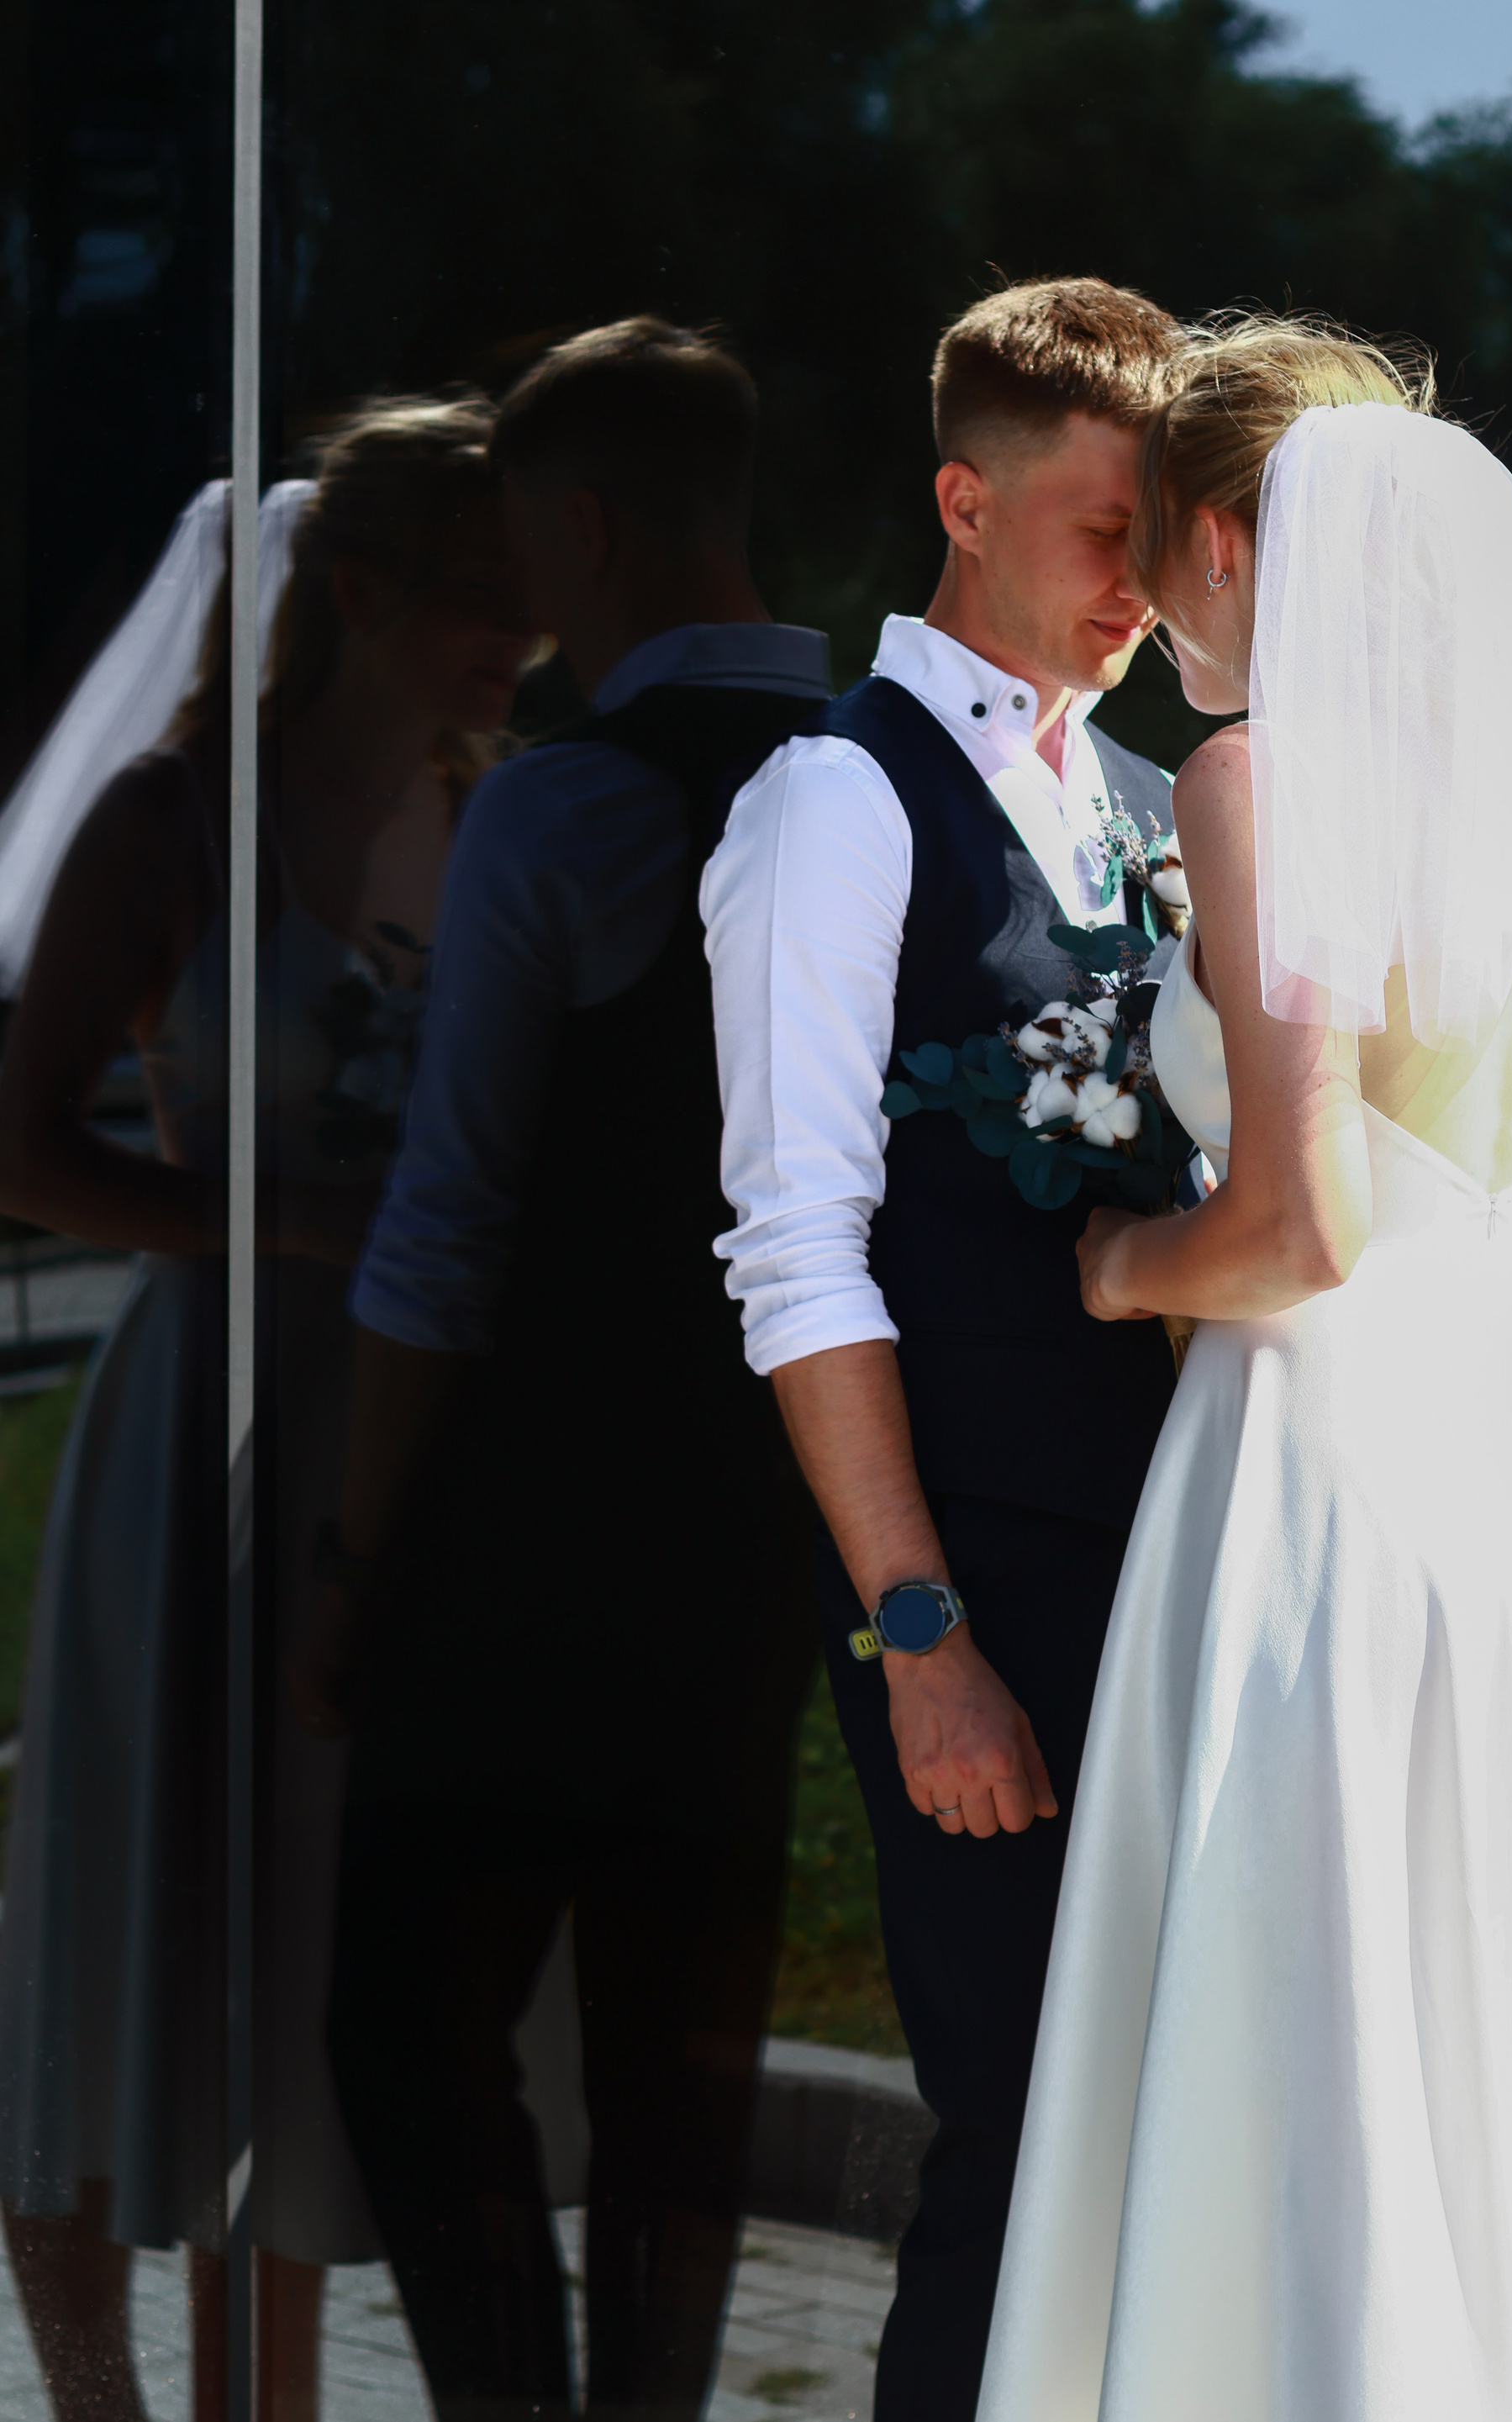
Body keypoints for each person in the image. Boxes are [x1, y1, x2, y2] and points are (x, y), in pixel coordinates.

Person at [975, 320, 1512, 2419]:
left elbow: (1298, 1228)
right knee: (1484, 2046)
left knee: (1307, 2044)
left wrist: (1115, 1266)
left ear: (1236, 542)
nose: (1153, 606)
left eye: (1162, 551)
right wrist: (1453, 1279)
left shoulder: (1261, 786)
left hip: (1316, 1482)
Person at [295, 317, 830, 2421]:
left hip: (530, 1542)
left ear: (583, 525)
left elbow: (444, 1234)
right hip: (768, 1530)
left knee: (404, 2030)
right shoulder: (882, 776)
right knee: (677, 2076)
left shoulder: (566, 805)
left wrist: (356, 1562)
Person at [0, 397, 535, 2422]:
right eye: (481, 593)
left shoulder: (497, 814)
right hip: (203, 1427)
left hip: (404, 1432)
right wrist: (294, 1220)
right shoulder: (171, 823)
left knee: (304, 1974)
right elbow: (25, 1151)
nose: (521, 635)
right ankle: (95, 2401)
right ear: (361, 590)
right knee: (127, 1938)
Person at [700, 275, 1186, 2422]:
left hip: (1176, 1553)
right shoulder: (837, 799)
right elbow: (798, 1250)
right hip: (976, 1575)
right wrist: (919, 1634)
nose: (1139, 584)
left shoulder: (1153, 800)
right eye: (1103, 531)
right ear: (963, 502)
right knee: (1019, 2146)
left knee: (1164, 2139)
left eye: (1163, 538)